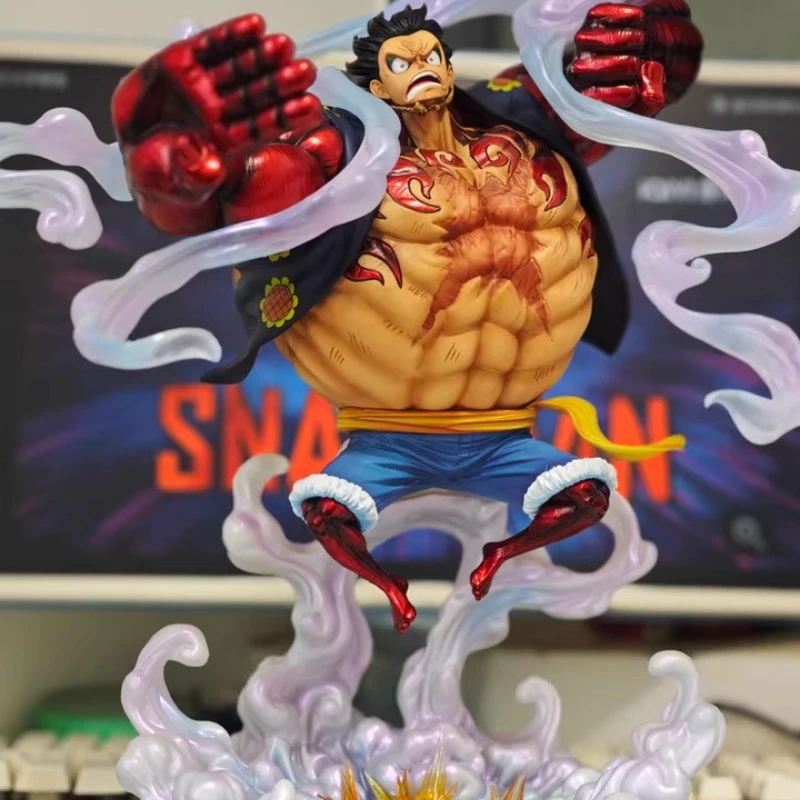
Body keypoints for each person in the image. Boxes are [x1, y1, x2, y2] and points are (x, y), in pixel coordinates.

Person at [111, 2, 702, 631]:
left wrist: (659, 54)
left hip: (508, 430)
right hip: (383, 431)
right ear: (374, 84)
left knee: (584, 498)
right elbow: (243, 195)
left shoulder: (526, 122)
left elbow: (618, 87)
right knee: (332, 519)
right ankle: (392, 593)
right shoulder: (336, 157)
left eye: (430, 56)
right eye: (401, 61)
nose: (421, 66)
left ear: (448, 65)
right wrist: (185, 174)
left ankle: (497, 559)